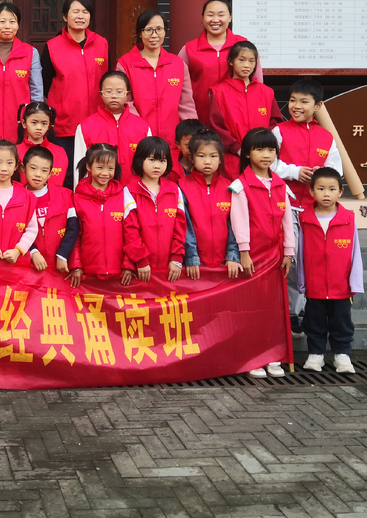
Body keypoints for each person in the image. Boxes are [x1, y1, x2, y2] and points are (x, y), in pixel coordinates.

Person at [228, 128, 295, 379]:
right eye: (259, 149)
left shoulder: (280, 185)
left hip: (275, 257)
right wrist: (244, 252)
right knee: (251, 309)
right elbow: (239, 221)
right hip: (253, 257)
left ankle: (273, 356)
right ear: (247, 153)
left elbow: (287, 221)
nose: (266, 155)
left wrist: (288, 252)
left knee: (274, 310)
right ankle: (253, 357)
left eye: (271, 150)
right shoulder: (240, 186)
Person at [297, 168, 363, 374]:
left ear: (341, 192)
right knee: (314, 322)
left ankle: (342, 355)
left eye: (332, 189)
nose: (326, 194)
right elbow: (300, 252)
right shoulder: (304, 219)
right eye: (321, 189)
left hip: (341, 285)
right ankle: (316, 354)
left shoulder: (348, 218)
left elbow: (355, 252)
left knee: (341, 322)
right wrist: (302, 283)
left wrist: (354, 282)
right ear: (311, 191)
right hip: (315, 285)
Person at [41, 0, 108, 187]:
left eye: (85, 12)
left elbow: (107, 80)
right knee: (67, 175)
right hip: (65, 124)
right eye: (75, 11)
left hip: (96, 122)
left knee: (96, 173)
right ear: (65, 16)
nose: (80, 16)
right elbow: (46, 84)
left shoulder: (101, 44)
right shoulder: (52, 47)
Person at [116, 10, 196, 172]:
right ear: (140, 33)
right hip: (139, 141)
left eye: (159, 29)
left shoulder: (178, 64)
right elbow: (125, 103)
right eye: (148, 30)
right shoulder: (125, 64)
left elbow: (186, 105)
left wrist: (192, 136)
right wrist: (144, 132)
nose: (154, 35)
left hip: (172, 142)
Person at [62, 142, 138, 287]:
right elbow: (74, 235)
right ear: (88, 166)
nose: (105, 173)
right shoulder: (77, 198)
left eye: (110, 168)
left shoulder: (123, 195)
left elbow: (130, 233)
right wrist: (75, 265)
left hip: (119, 274)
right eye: (100, 167)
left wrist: (129, 264)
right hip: (87, 273)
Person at [178, 0, 263, 124]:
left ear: (230, 17)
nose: (215, 20)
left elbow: (257, 83)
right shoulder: (189, 49)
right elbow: (179, 86)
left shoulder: (243, 45)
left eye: (221, 15)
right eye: (210, 15)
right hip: (200, 118)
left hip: (237, 118)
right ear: (203, 17)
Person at [208, 41, 283, 179]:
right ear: (231, 61)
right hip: (231, 159)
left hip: (262, 159)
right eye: (241, 60)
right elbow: (216, 126)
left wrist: (264, 149)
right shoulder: (219, 92)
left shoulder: (266, 92)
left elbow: (275, 125)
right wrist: (236, 148)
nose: (247, 65)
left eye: (251, 61)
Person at [0, 3, 43, 147]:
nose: (7, 26)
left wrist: (36, 123)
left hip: (21, 129)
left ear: (18, 26)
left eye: (12, 21)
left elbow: (36, 93)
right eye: (2, 21)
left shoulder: (30, 53)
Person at [177, 130, 241, 280]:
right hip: (194, 265)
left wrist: (232, 255)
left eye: (213, 156)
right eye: (201, 156)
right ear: (192, 158)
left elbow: (235, 224)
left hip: (225, 264)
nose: (207, 161)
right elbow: (184, 225)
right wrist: (191, 257)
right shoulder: (181, 187)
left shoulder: (230, 187)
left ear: (220, 159)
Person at [272, 79, 343, 208]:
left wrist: (321, 172)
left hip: (315, 207)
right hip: (283, 204)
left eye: (304, 102)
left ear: (318, 105)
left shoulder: (326, 136)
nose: (296, 106)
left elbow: (336, 169)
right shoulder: (279, 131)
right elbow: (268, 164)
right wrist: (294, 172)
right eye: (293, 100)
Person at [125, 137, 188, 281]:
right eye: (152, 160)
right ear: (140, 160)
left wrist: (177, 258)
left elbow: (180, 227)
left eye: (162, 161)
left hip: (170, 268)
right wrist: (140, 259)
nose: (157, 166)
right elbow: (130, 230)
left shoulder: (174, 190)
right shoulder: (129, 191)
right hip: (141, 268)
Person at [74, 72, 152, 186]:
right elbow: (80, 168)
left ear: (127, 94)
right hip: (98, 193)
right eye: (109, 91)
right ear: (101, 94)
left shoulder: (142, 126)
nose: (114, 96)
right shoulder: (85, 127)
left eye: (119, 91)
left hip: (134, 192)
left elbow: (148, 165)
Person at [21, 145, 78, 272]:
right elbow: (15, 231)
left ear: (50, 174)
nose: (38, 174)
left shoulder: (64, 195)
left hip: (60, 265)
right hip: (30, 268)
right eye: (33, 168)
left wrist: (63, 254)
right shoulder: (17, 198)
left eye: (44, 170)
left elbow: (73, 228)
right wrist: (33, 252)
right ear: (23, 168)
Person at [16, 102, 67, 189]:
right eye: (34, 122)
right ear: (24, 123)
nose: (39, 127)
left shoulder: (59, 152)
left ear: (49, 125)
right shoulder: (15, 151)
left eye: (44, 123)